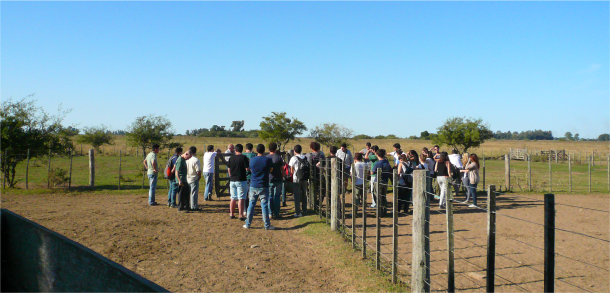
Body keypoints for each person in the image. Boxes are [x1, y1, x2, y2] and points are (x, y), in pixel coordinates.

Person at [244, 144, 275, 230]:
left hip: (253, 184)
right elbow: (271, 170)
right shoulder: (268, 160)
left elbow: (249, 169)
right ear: (264, 150)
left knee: (251, 204)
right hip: (264, 184)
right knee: (264, 205)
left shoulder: (252, 160)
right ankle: (267, 225)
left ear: (256, 151)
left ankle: (248, 223)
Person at [228, 144, 249, 220]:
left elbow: (229, 169)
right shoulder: (243, 157)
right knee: (241, 198)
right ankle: (241, 215)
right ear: (242, 150)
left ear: (235, 150)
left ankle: (232, 213)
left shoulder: (231, 157)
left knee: (233, 198)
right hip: (241, 179)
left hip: (232, 180)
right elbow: (247, 168)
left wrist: (231, 176)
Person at [288, 144, 307, 217]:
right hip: (304, 178)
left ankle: (298, 212)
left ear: (294, 151)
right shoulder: (305, 157)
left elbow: (292, 170)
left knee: (297, 195)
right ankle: (304, 209)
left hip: (297, 179)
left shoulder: (293, 158)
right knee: (304, 194)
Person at [267, 142, 285, 219]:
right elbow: (283, 169)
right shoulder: (278, 157)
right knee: (277, 196)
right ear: (275, 149)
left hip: (269, 179)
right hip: (277, 179)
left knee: (270, 196)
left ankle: (270, 213)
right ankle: (277, 213)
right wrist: (282, 177)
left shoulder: (266, 157)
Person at [243, 143, 257, 215]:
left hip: (243, 176)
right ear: (252, 149)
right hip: (252, 176)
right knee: (252, 194)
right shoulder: (254, 155)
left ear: (246, 148)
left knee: (245, 194)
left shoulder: (242, 155)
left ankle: (245, 209)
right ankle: (250, 209)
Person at [186, 146, 202, 211]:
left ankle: (188, 205)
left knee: (188, 193)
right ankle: (194, 206)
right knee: (194, 193)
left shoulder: (187, 159)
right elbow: (198, 170)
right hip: (194, 178)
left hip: (187, 177)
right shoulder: (196, 160)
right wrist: (199, 176)